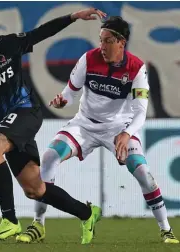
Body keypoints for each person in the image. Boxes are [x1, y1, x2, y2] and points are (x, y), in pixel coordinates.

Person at [0, 8, 107, 244]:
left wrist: (71, 17)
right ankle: (87, 213)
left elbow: (40, 33)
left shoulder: (3, 46)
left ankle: (9, 220)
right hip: (8, 125)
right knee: (35, 189)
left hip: (27, 110)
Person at [16, 16, 179, 244]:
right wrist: (63, 100)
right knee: (50, 157)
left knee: (143, 173)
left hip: (119, 129)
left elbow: (140, 111)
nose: (102, 46)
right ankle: (38, 224)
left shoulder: (136, 68)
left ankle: (166, 229)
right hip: (85, 124)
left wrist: (127, 133)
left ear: (121, 42)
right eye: (100, 40)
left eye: (108, 41)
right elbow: (70, 92)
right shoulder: (88, 59)